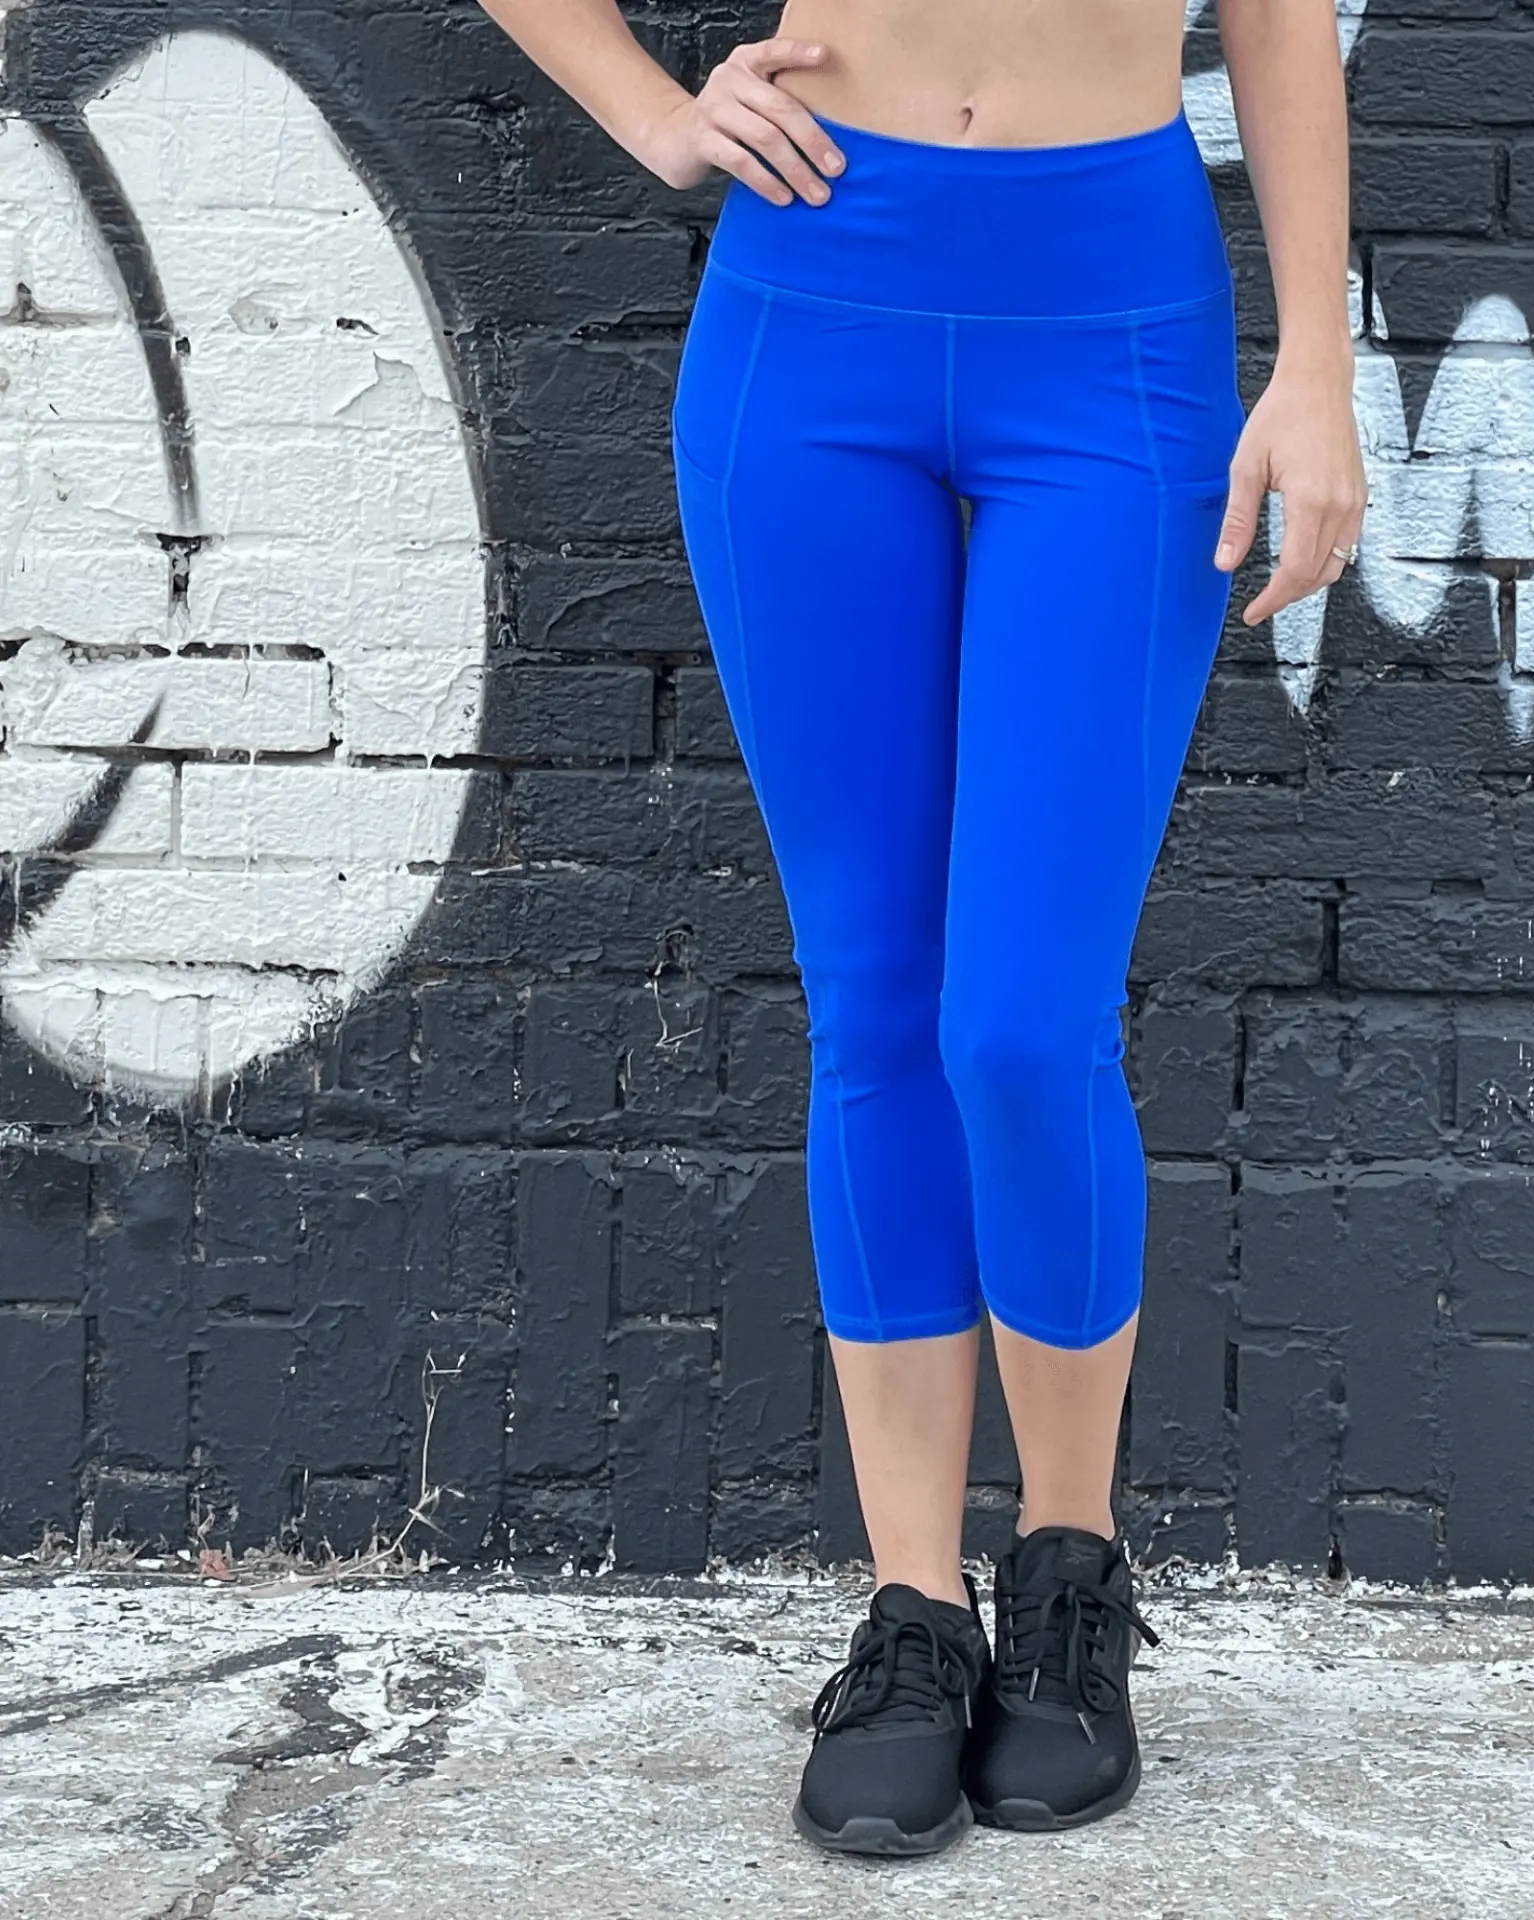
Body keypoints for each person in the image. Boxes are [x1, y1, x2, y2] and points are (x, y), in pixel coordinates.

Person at [477, 0, 1366, 1859]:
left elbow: (1278, 16)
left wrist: (1315, 365)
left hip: (1111, 318)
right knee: (877, 1007)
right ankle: (911, 1615)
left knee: (1022, 1024)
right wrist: (653, 114)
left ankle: (1068, 1570)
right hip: (814, 308)